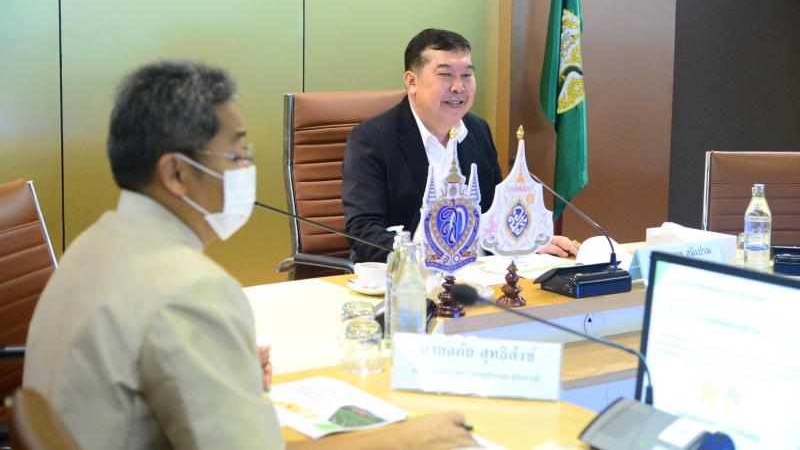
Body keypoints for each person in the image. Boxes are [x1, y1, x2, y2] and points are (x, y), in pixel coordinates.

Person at [23, 61, 476, 450]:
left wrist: (222, 370)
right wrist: (406, 439)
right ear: (176, 173)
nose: (247, 169)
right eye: (237, 154)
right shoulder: (190, 288)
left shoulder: (92, 246)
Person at [342, 29, 580, 264]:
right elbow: (363, 231)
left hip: (477, 275)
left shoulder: (478, 131)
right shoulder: (372, 139)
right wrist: (428, 257)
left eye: (467, 75)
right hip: (406, 277)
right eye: (446, 75)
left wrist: (526, 241)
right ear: (412, 82)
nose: (459, 87)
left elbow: (494, 216)